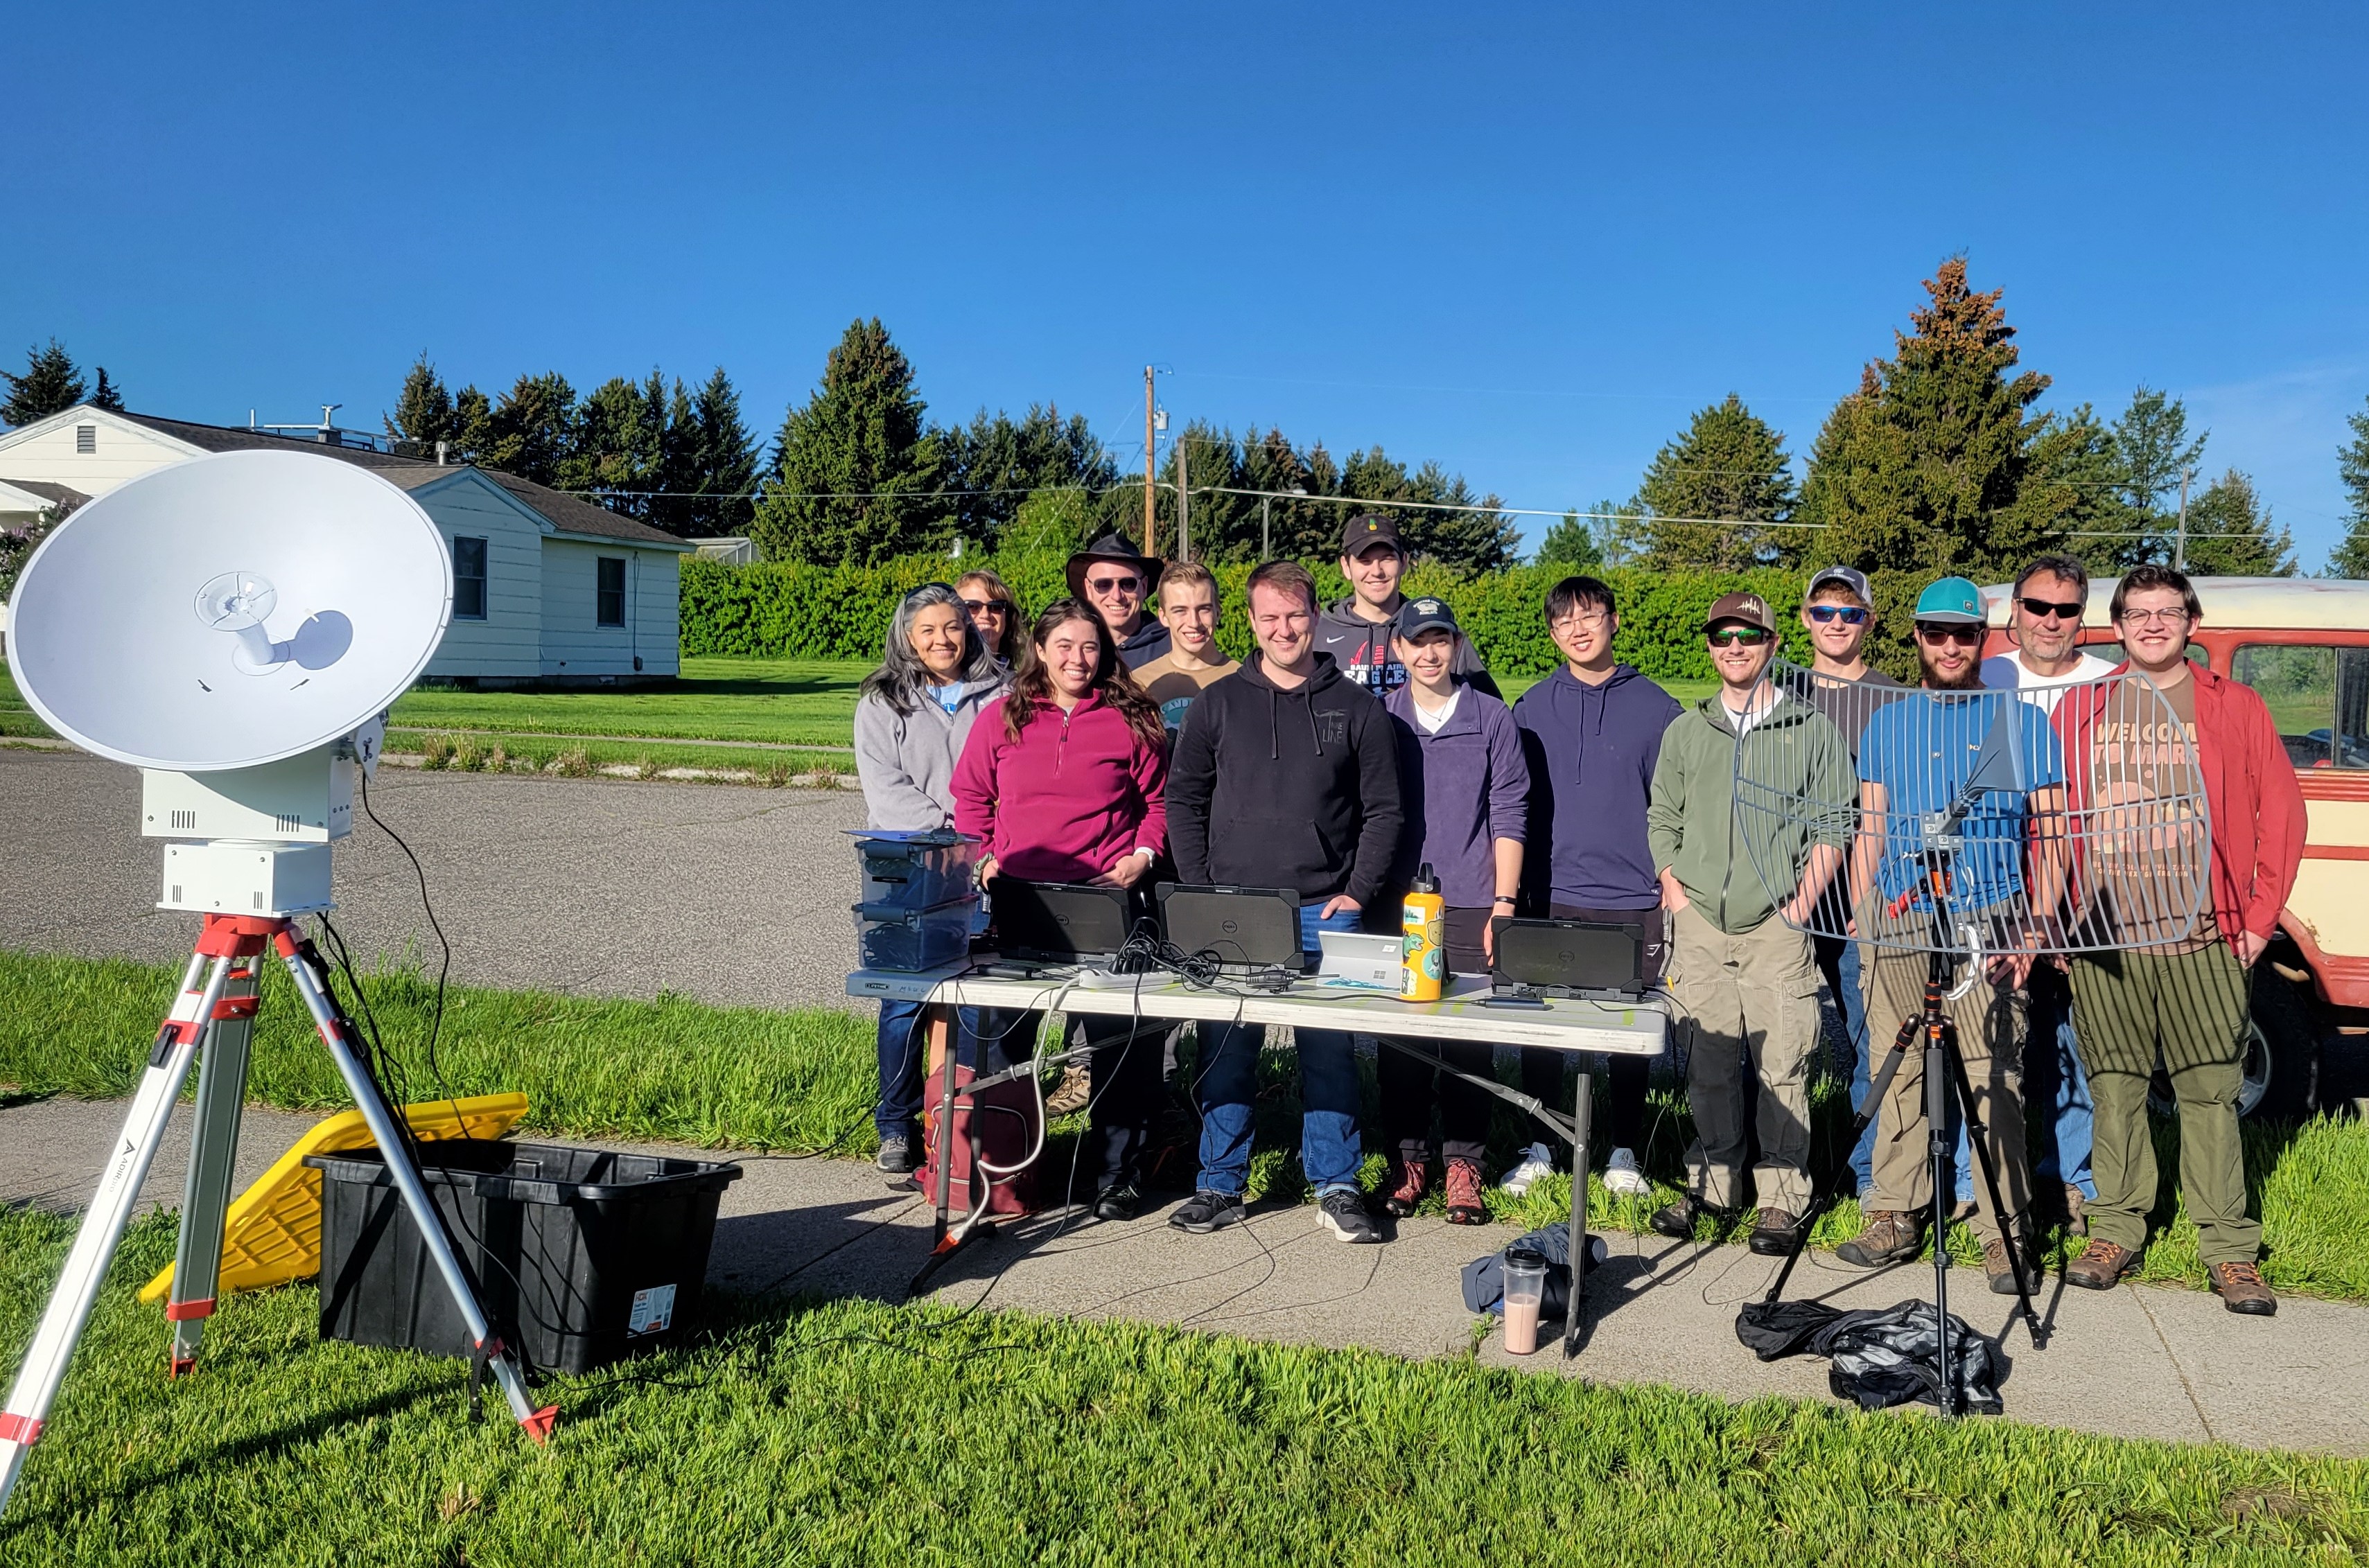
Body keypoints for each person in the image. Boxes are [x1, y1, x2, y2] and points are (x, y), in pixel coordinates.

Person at [2051, 565, 2305, 1314]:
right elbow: (2053, 817)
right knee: (2115, 1088)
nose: (2152, 624)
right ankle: (2117, 1229)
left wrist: (2259, 920)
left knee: (2209, 1091)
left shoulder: (2235, 706)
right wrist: (2057, 915)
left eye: (2167, 612)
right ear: (2118, 625)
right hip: (2105, 936)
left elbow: (2283, 816)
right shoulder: (2083, 706)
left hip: (2204, 933)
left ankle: (2228, 1247)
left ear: (2190, 623)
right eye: (2137, 613)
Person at [1165, 559, 1403, 1244]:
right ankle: (1219, 1183)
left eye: (1295, 615)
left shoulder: (1357, 708)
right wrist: (1202, 884)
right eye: (1268, 617)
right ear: (1250, 621)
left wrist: (1356, 890)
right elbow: (1185, 799)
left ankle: (1335, 1184)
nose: (1283, 629)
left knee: (1327, 1051)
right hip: (1233, 905)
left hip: (1323, 907)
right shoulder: (1217, 704)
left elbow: (1383, 811)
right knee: (1227, 1046)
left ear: (1315, 618)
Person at [1839, 576, 2054, 1295]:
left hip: (1986, 915)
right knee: (1894, 1067)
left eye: (1964, 633)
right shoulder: (1887, 724)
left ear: (1984, 639)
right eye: (1936, 633)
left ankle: (2002, 1231)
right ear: (1918, 638)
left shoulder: (2020, 724)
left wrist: (2034, 926)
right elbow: (1871, 824)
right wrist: (1860, 910)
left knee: (1993, 1074)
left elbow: (2048, 835)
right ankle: (1894, 1213)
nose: (1950, 645)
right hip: (1897, 915)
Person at [1645, 591, 1853, 1256]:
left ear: (1771, 645)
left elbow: (1834, 823)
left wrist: (1798, 907)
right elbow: (1662, 820)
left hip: (1777, 923)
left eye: (1749, 635)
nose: (1735, 646)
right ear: (1710, 646)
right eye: (1723, 635)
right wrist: (1676, 895)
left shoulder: (1809, 729)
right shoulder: (1686, 730)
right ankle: (1712, 1184)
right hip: (1700, 919)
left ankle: (1783, 1197)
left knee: (1783, 1063)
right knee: (1706, 1060)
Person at [950, 600, 1172, 1219]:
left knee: (1118, 1048)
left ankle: (1114, 1177)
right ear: (1041, 650)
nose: (1079, 659)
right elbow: (971, 797)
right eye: (1066, 646)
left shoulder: (1133, 718)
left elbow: (1158, 804)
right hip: (1020, 906)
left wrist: (1143, 854)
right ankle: (1008, 1174)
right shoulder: (1003, 718)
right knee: (1004, 1049)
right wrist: (985, 856)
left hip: (1107, 906)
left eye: (1091, 647)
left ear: (1105, 653)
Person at [1510, 574, 1681, 1197]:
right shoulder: (1529, 708)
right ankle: (1541, 1145)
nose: (1579, 630)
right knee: (1545, 1033)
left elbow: (1677, 804)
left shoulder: (1659, 708)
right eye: (1565, 622)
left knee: (1628, 1039)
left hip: (1634, 898)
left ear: (1613, 620)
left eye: (1590, 616)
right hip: (1552, 894)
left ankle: (1626, 1151)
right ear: (1554, 634)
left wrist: (1672, 879)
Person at [1374, 596, 1530, 1224]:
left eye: (1442, 640)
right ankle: (1408, 1162)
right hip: (1399, 901)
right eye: (1419, 642)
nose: (1431, 652)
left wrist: (1504, 903)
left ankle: (1465, 1165)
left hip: (1471, 899)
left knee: (1469, 1041)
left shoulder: (1491, 717)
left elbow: (1511, 811)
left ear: (1455, 646)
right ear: (1401, 651)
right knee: (1402, 1040)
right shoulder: (1382, 717)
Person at [1977, 552, 2117, 1231]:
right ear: (2014, 613)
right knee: (1995, 1040)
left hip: (2085, 886)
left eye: (2064, 610)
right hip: (2002, 885)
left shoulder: (2109, 684)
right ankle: (1982, 1179)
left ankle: (2068, 1179)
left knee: (2073, 1041)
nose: (2049, 620)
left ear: (2080, 619)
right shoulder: (1987, 675)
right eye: (2036, 606)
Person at [852, 583, 1008, 1179]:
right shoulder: (881, 700)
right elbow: (885, 791)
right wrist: (957, 828)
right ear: (907, 636)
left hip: (986, 865)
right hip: (906, 869)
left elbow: (1012, 770)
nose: (942, 639)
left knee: (973, 998)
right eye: (928, 630)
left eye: (952, 626)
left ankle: (960, 1125)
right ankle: (895, 1124)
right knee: (902, 1002)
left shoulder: (1006, 689)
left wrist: (982, 839)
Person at [1782, 565, 1905, 1198]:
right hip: (1791, 888)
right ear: (1805, 619)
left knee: (1867, 1038)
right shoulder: (1780, 689)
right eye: (1825, 612)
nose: (1837, 623)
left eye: (1850, 613)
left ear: (1869, 622)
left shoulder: (1895, 699)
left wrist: (1877, 893)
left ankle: (1868, 1180)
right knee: (1783, 1037)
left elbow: (1907, 807)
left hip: (1866, 897)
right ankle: (1783, 1174)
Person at [1317, 513, 1498, 698]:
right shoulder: (1318, 634)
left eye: (1387, 559)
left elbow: (1489, 710)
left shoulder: (1439, 630)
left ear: (1404, 562)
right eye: (1365, 561)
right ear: (1346, 567)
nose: (1377, 571)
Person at [1130, 560, 1239, 733]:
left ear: (1218, 612)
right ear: (1163, 617)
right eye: (1180, 611)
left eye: (1204, 609)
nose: (1194, 623)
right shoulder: (1139, 684)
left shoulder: (1242, 680)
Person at [1066, 533, 1170, 669]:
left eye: (1128, 584)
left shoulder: (1173, 646)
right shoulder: (1072, 654)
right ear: (1088, 589)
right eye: (1104, 585)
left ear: (1144, 587)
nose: (1116, 596)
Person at [955, 568, 1023, 668]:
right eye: (973, 606)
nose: (985, 615)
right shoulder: (940, 681)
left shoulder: (1016, 682)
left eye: (996, 607)